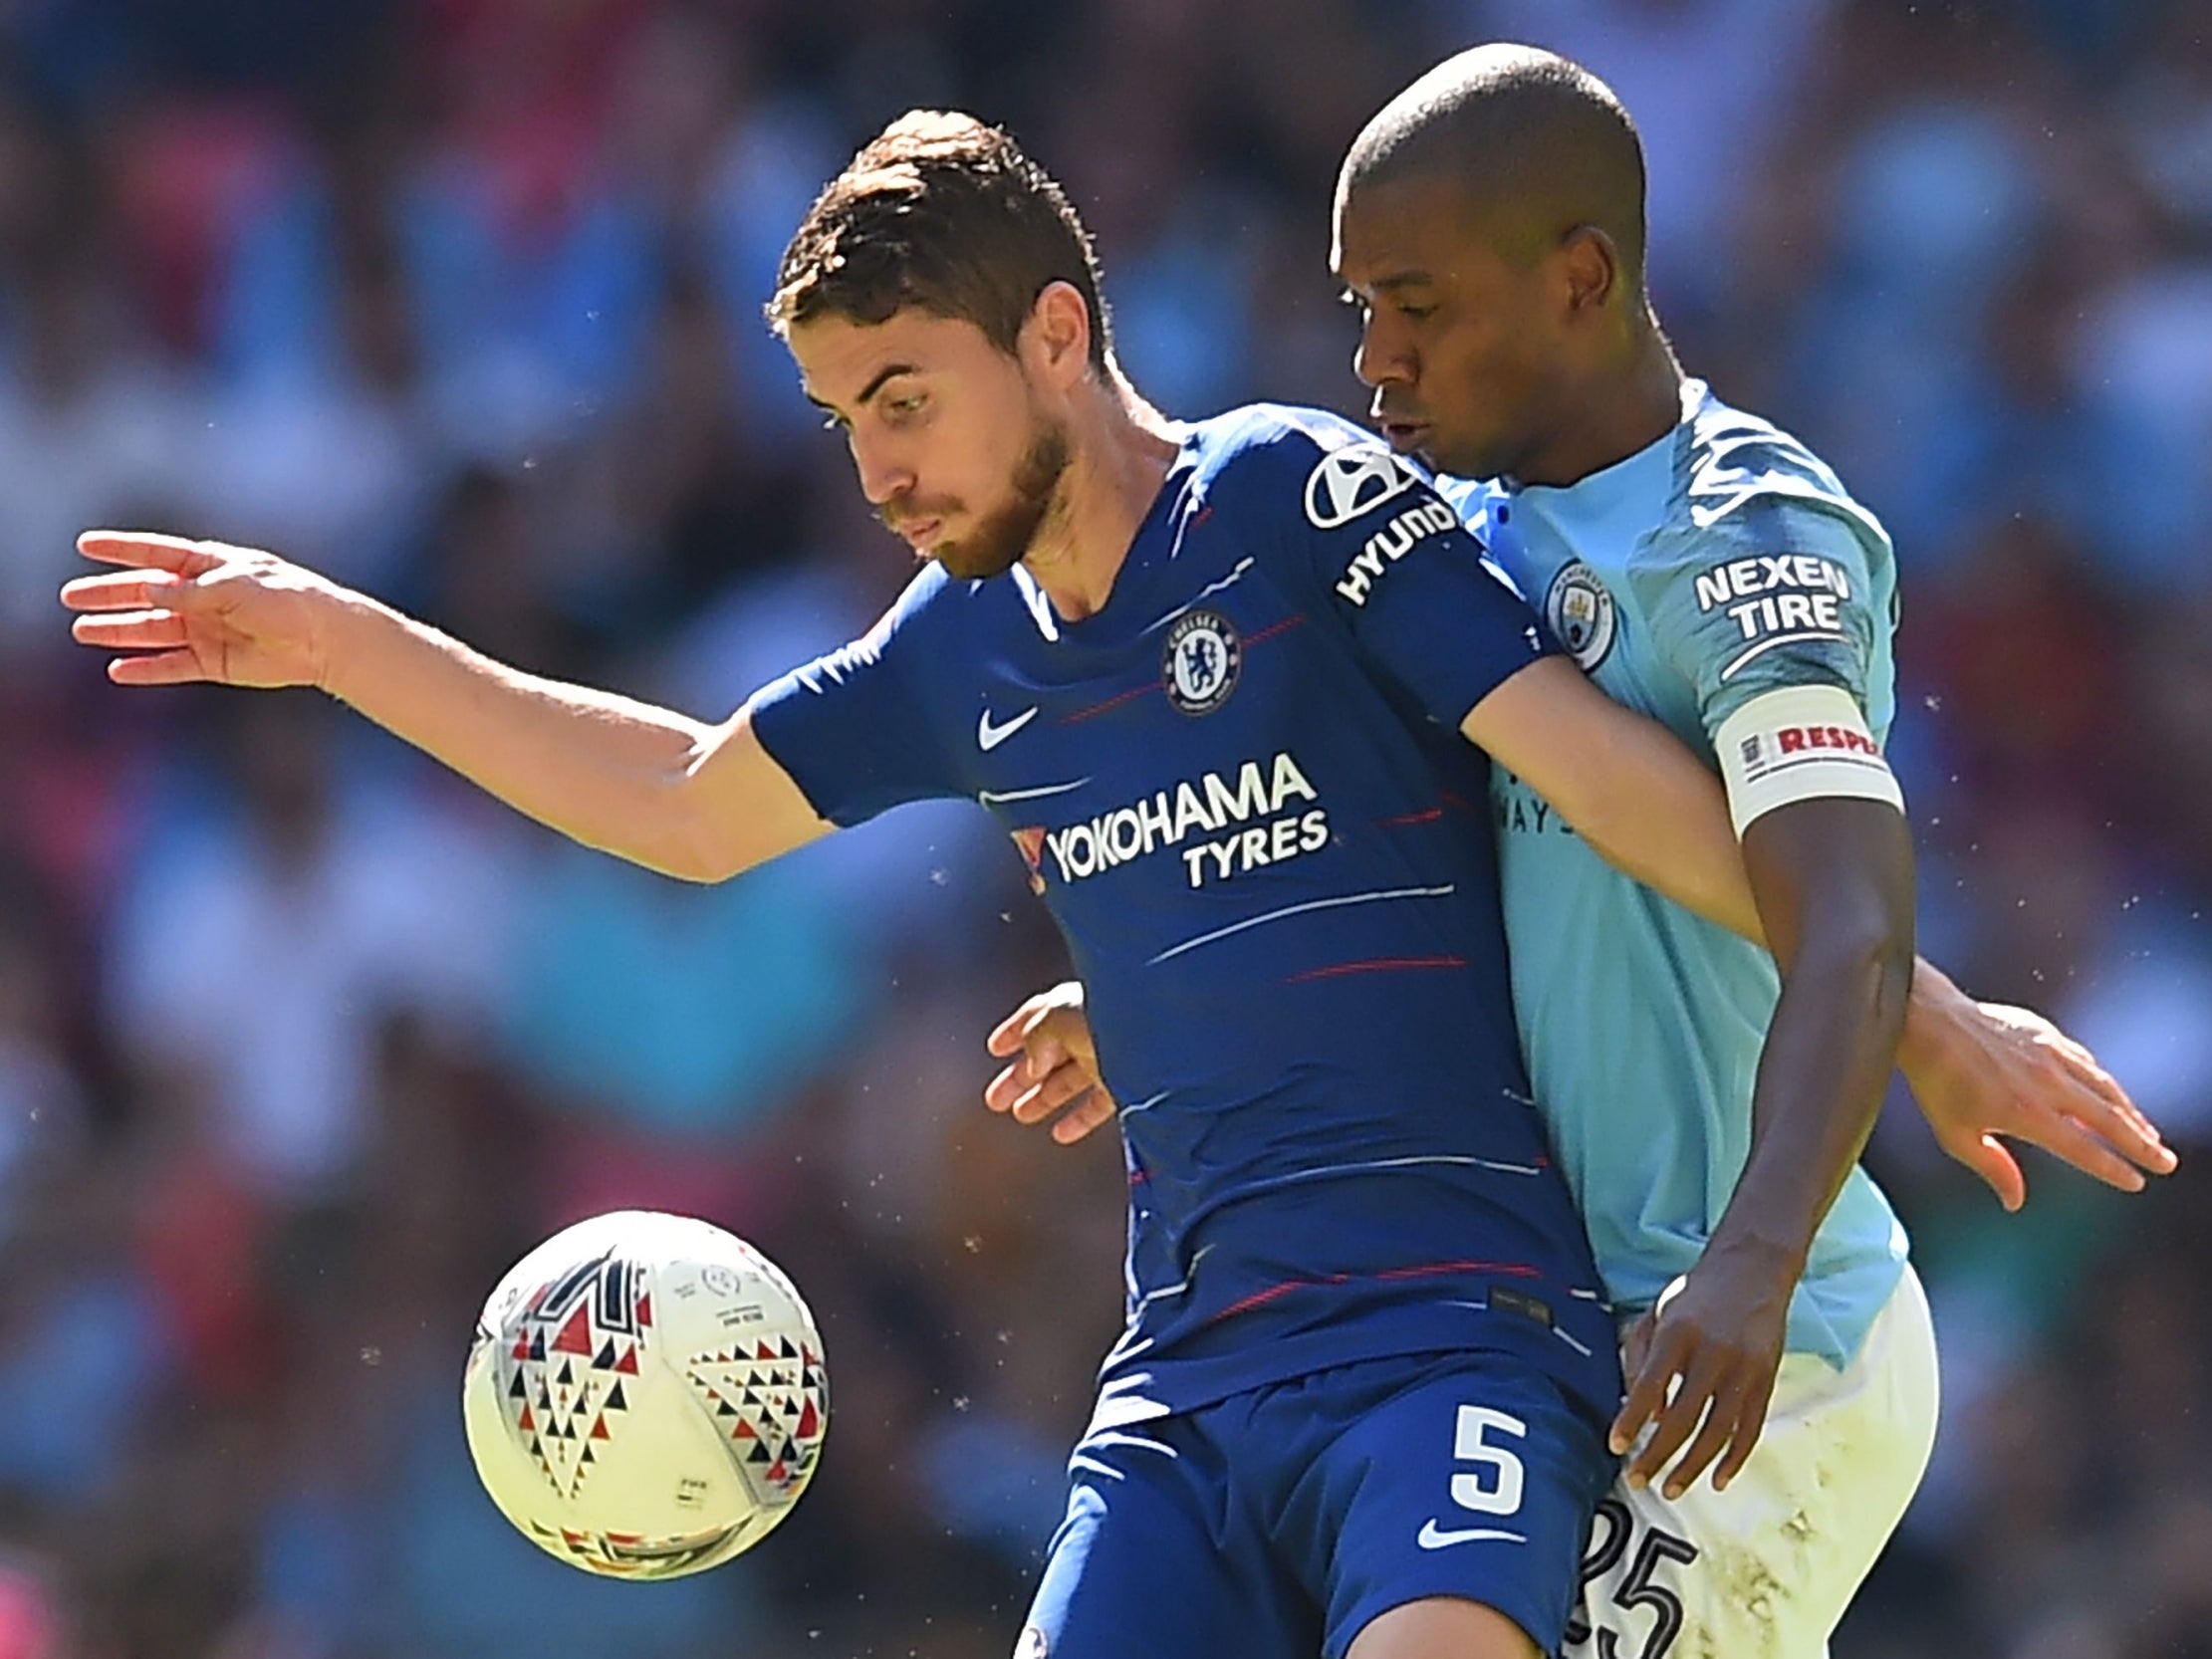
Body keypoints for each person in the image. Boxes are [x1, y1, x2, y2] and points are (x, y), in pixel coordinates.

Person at [60, 109, 1934, 1659]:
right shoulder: (963, 646)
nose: (876, 467)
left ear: (1053, 335)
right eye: (842, 421)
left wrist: (1922, 1013)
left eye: (902, 398)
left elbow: (1620, 791)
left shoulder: (1292, 498)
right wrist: (336, 641)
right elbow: (690, 799)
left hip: (1453, 1339)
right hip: (1186, 1391)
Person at [976, 44, 2176, 1659]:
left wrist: (1749, 1262)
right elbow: (1393, 869)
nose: (1374, 357)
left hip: (1758, 1340)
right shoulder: (1441, 541)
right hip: (1531, 1336)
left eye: (1417, 304)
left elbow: (1842, 915)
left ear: (1580, 279)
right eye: (1355, 310)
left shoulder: (1742, 535)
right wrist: (1156, 993)